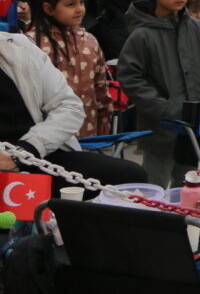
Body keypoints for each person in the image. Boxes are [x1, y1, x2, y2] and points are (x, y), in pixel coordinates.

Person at [0, 28, 147, 194]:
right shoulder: (38, 38)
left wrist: (27, 149)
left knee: (131, 175)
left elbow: (69, 105)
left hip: (37, 153)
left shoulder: (19, 48)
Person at [117, 0, 200, 186]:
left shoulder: (195, 27)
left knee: (189, 190)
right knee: (155, 188)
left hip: (194, 126)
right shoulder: (142, 35)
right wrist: (165, 108)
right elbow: (130, 78)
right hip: (160, 130)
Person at [26, 0, 112, 138]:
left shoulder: (90, 41)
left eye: (81, 2)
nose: (80, 9)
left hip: (88, 132)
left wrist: (103, 123)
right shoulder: (33, 44)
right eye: (71, 4)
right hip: (48, 137)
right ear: (48, 9)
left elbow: (100, 88)